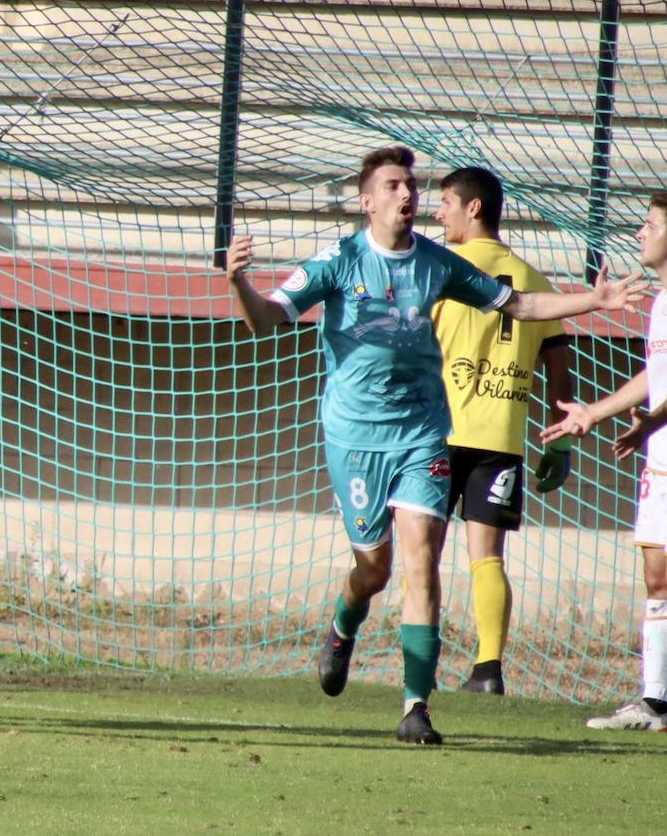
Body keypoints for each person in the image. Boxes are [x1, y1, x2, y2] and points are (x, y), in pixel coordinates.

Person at [223, 145, 645, 744]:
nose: (407, 194)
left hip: (424, 433)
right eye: (394, 185)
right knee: (375, 565)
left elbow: (519, 304)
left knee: (422, 557)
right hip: (355, 437)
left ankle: (415, 706)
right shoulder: (337, 261)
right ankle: (346, 622)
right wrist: (239, 279)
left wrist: (593, 302)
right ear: (367, 201)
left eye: (411, 185)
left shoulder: (437, 262)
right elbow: (266, 319)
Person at [543, 192, 667, 735]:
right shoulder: (665, 301)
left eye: (649, 225)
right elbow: (659, 374)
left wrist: (650, 423)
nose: (639, 233)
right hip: (666, 457)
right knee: (658, 578)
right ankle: (655, 705)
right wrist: (595, 413)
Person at [431, 167, 574, 696]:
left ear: (474, 208)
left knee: (423, 552)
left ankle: (417, 663)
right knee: (486, 555)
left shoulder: (441, 269)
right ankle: (487, 669)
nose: (438, 211)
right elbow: (559, 361)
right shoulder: (533, 278)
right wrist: (558, 436)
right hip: (501, 439)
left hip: (439, 435)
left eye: (446, 201)